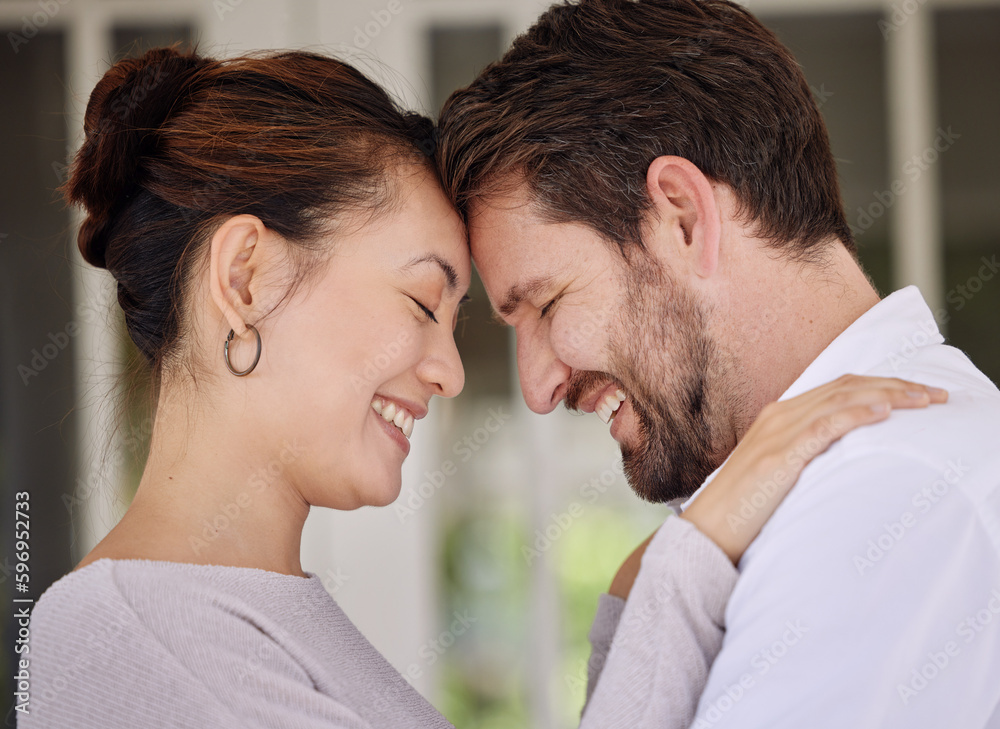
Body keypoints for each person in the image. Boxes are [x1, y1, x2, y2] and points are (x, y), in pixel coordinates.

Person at [21, 46, 942, 729]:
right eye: (424, 300)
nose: (451, 371)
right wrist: (685, 565)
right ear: (248, 277)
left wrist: (632, 620)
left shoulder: (250, 617)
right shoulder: (118, 636)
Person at [434, 0, 1000, 727]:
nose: (538, 388)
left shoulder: (886, 494)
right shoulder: (838, 488)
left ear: (683, 218)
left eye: (544, 305)